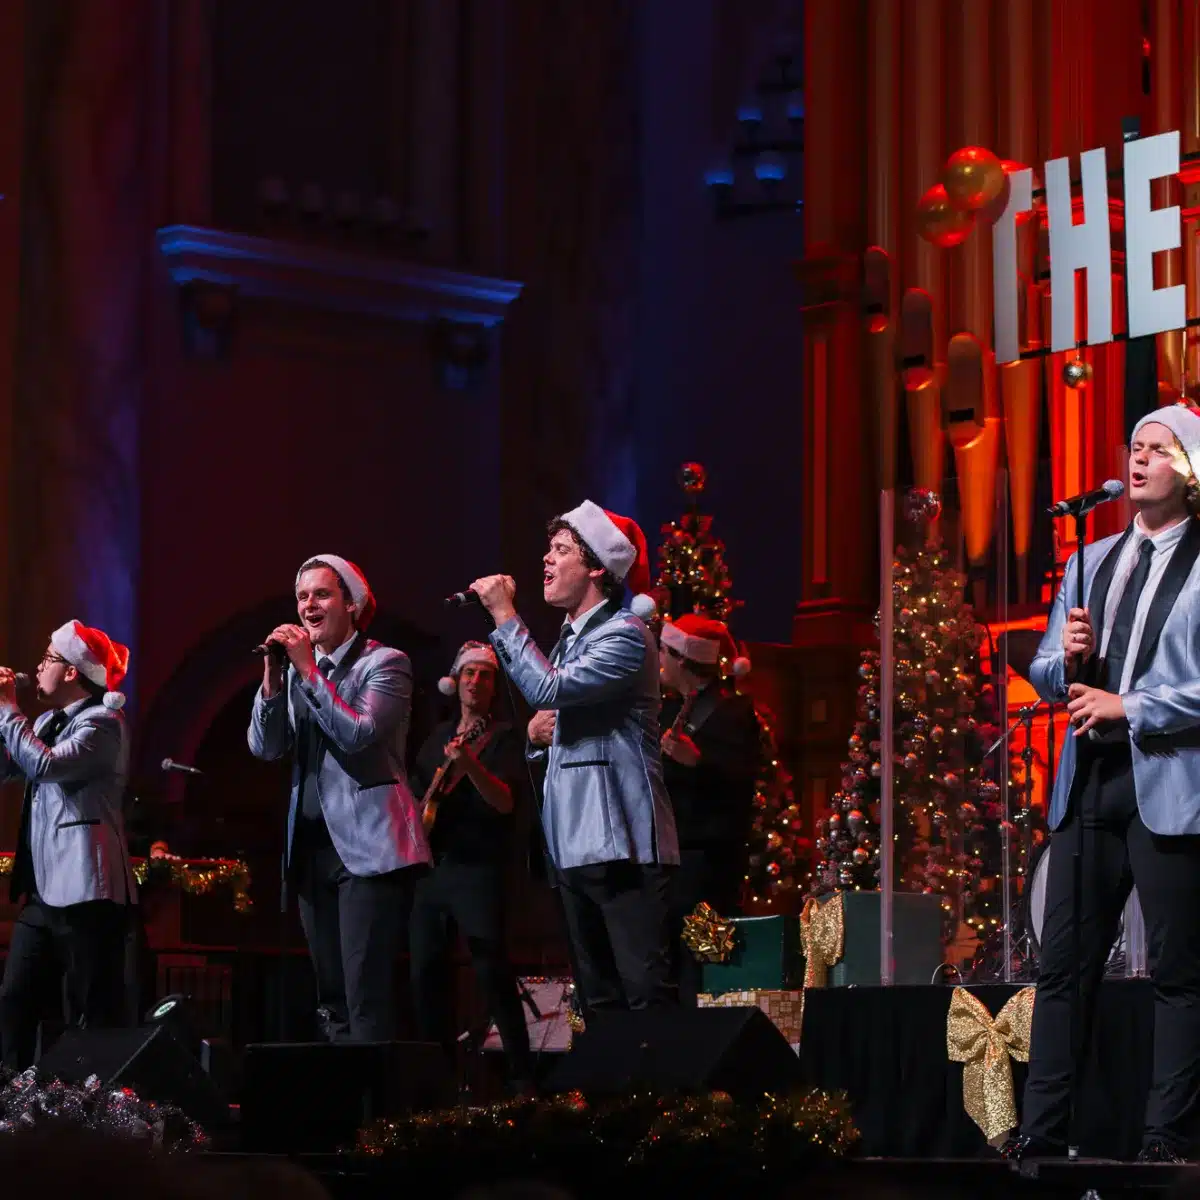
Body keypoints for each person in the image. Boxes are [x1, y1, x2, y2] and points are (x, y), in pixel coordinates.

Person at [1004, 405, 1200, 1163]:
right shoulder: (1091, 558)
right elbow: (1049, 673)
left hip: (1172, 787)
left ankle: (1165, 1138)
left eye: (1160, 449)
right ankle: (1042, 1135)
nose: (1140, 459)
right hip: (1089, 781)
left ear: (1190, 470)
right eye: (1136, 447)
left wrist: (1134, 706)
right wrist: (1068, 658)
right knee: (1063, 968)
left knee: (1180, 973)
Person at [469, 499, 679, 1015]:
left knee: (644, 992)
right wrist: (535, 737)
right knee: (596, 999)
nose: (546, 559)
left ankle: (661, 1072)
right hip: (571, 843)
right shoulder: (567, 642)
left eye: (561, 550)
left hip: (623, 843)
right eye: (549, 548)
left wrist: (503, 613)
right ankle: (608, 1071)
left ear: (597, 569)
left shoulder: (625, 635)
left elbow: (548, 688)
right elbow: (552, 713)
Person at [248, 555, 430, 1042]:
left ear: (352, 604)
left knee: (364, 994)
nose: (309, 605)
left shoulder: (385, 663)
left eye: (322, 594)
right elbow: (266, 748)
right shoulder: (295, 673)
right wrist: (273, 680)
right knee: (331, 999)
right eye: (302, 596)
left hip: (368, 849)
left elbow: (357, 734)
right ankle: (340, 1086)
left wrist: (309, 672)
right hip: (312, 849)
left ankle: (376, 1091)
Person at [0, 621, 137, 1070]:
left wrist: (8, 709)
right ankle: (12, 1092)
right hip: (42, 889)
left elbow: (44, 765)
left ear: (73, 671)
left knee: (87, 1006)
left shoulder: (103, 723)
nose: (38, 667)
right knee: (15, 997)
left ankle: (91, 1099)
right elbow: (10, 767)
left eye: (48, 658)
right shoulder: (44, 721)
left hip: (86, 889)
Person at [408, 641, 534, 1091]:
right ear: (456, 681)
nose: (476, 682)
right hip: (433, 870)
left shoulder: (503, 737)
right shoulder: (436, 738)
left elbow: (505, 802)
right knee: (425, 972)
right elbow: (417, 799)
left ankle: (521, 1078)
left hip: (479, 869)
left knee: (491, 969)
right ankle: (436, 1079)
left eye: (485, 675)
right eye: (469, 674)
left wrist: (471, 766)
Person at [658, 614, 759, 1004]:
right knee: (669, 971)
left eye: (664, 651)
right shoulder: (665, 711)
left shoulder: (732, 713)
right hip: (668, 866)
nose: (658, 659)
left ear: (683, 659)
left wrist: (698, 762)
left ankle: (706, 1034)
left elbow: (742, 783)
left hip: (708, 870)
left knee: (707, 971)